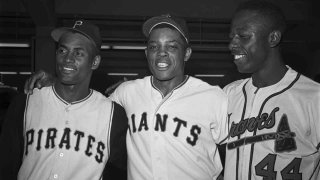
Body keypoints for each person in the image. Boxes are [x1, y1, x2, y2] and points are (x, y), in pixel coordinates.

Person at [23, 14, 229, 180]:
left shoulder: (214, 97)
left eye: (172, 46)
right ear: (146, 53)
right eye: (154, 46)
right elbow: (87, 105)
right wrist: (55, 82)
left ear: (187, 54)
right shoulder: (127, 92)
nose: (161, 53)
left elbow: (231, 156)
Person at [0, 19, 128, 180]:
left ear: (94, 62)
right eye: (62, 51)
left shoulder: (113, 115)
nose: (68, 59)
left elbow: (118, 173)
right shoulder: (26, 102)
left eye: (78, 53)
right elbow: (6, 166)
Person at [223, 0, 320, 179]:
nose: (232, 45)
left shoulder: (314, 97)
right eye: (231, 37)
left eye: (243, 36)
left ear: (273, 38)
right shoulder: (229, 94)